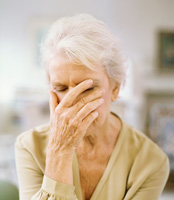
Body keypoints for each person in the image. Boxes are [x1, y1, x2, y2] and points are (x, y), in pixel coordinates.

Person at [15, 14, 169, 200]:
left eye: (88, 88)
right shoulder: (29, 147)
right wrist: (60, 151)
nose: (72, 101)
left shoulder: (150, 162)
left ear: (115, 88)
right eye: (61, 88)